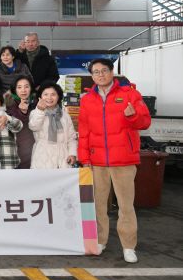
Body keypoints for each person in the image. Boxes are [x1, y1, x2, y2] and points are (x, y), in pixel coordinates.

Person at [78, 58, 151, 263]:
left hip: (124, 160)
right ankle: (100, 241)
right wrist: (85, 158)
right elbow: (84, 131)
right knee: (98, 204)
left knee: (126, 205)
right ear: (91, 75)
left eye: (104, 71)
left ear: (112, 73)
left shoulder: (130, 94)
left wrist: (132, 116)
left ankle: (128, 246)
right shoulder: (87, 100)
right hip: (97, 160)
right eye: (96, 72)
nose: (100, 75)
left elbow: (145, 122)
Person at [29, 81, 77, 169]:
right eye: (46, 94)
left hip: (63, 160)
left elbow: (71, 138)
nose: (49, 97)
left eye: (53, 94)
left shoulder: (65, 116)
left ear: (58, 97)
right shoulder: (35, 113)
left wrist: (72, 154)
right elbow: (34, 127)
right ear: (40, 97)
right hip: (42, 160)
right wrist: (40, 111)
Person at [4, 75, 36, 169]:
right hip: (18, 147)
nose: (23, 90)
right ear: (14, 89)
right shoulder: (9, 104)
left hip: (35, 146)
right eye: (19, 87)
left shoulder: (36, 102)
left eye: (26, 86)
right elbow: (15, 126)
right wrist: (23, 113)